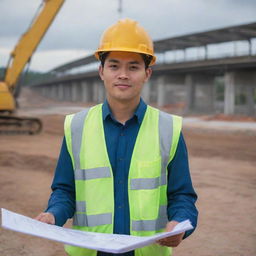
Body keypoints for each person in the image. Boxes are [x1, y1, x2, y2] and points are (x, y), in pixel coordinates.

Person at [36, 18, 198, 256]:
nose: (123, 75)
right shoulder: (76, 126)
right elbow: (65, 190)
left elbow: (182, 194)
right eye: (114, 66)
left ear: (147, 73)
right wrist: (53, 215)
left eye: (133, 67)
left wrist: (180, 223)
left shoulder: (168, 128)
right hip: (92, 251)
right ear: (101, 71)